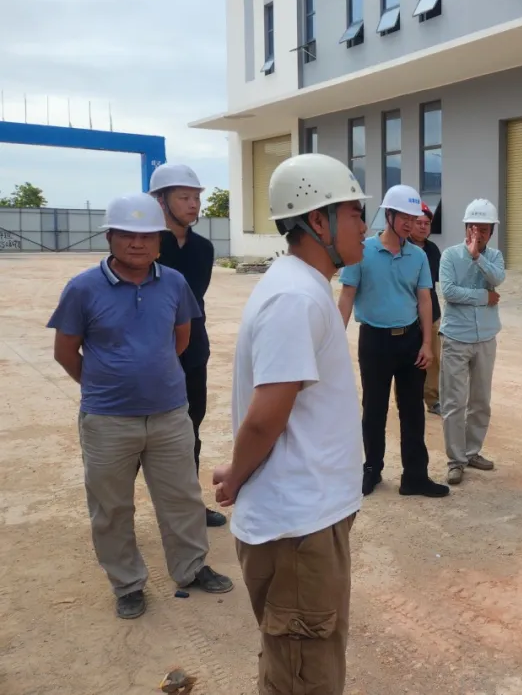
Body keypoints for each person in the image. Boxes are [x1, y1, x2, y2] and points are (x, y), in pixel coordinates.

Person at [213, 153, 368, 694]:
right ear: (318, 220)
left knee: (300, 664)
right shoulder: (295, 298)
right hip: (297, 531)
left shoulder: (304, 287)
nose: (365, 226)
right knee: (305, 677)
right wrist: (236, 476)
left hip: (309, 519)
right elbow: (265, 418)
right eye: (355, 213)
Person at [47, 193, 233, 620]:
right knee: (111, 506)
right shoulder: (82, 288)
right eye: (126, 234)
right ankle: (127, 583)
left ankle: (190, 568)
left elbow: (180, 338)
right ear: (109, 237)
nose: (137, 243)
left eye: (147, 235)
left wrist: (151, 375)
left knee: (182, 498)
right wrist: (104, 384)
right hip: (107, 420)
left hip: (169, 414)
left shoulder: (174, 283)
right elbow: (65, 351)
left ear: (159, 241)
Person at [337, 184, 449, 499]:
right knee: (374, 408)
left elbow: (424, 300)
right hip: (374, 341)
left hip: (410, 341)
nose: (410, 224)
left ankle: (415, 476)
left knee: (412, 410)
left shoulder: (419, 256)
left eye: (414, 219)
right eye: (405, 218)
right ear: (389, 215)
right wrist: (332, 340)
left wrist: (426, 344)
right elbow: (347, 296)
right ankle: (371, 469)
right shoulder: (363, 251)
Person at [149, 162, 227, 528]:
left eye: (196, 197)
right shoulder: (144, 245)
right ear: (161, 201)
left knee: (190, 430)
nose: (193, 204)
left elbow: (193, 299)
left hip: (193, 351)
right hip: (149, 355)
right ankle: (125, 514)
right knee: (138, 435)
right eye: (184, 197)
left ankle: (189, 506)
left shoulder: (203, 249)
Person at [438, 199, 505, 485]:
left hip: (486, 338)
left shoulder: (495, 257)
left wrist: (478, 257)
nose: (479, 233)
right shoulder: (450, 256)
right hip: (456, 338)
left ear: (492, 231)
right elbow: (449, 292)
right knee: (454, 402)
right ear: (466, 227)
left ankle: (471, 451)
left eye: (485, 229)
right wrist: (483, 297)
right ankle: (456, 460)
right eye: (474, 228)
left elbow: (498, 278)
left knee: (480, 401)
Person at [410, 201, 443, 416]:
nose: (423, 227)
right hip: (407, 316)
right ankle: (408, 400)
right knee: (408, 360)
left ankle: (433, 399)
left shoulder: (433, 250)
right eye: (419, 222)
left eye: (427, 223)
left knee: (433, 359)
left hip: (432, 314)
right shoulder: (403, 247)